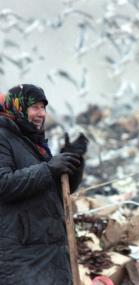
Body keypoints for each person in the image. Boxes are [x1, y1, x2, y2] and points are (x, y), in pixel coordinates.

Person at [0, 84, 88, 284]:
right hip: (23, 257)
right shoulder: (3, 137)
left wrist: (73, 161)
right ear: (18, 107)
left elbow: (55, 191)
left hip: (50, 252)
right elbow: (3, 184)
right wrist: (49, 169)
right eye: (35, 108)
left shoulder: (34, 142)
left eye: (43, 107)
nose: (41, 114)